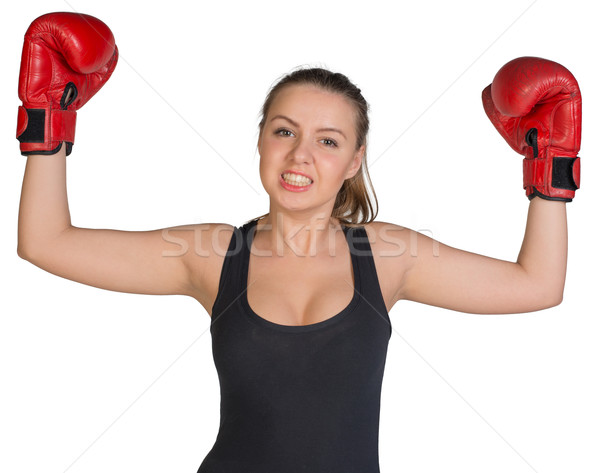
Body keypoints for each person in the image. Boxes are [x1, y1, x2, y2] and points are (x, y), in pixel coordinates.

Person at [15, 12, 581, 473]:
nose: (300, 155)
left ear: (355, 160)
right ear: (260, 140)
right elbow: (47, 242)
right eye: (284, 131)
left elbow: (537, 286)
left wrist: (550, 169)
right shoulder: (212, 255)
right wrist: (48, 119)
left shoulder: (389, 257)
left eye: (328, 140)